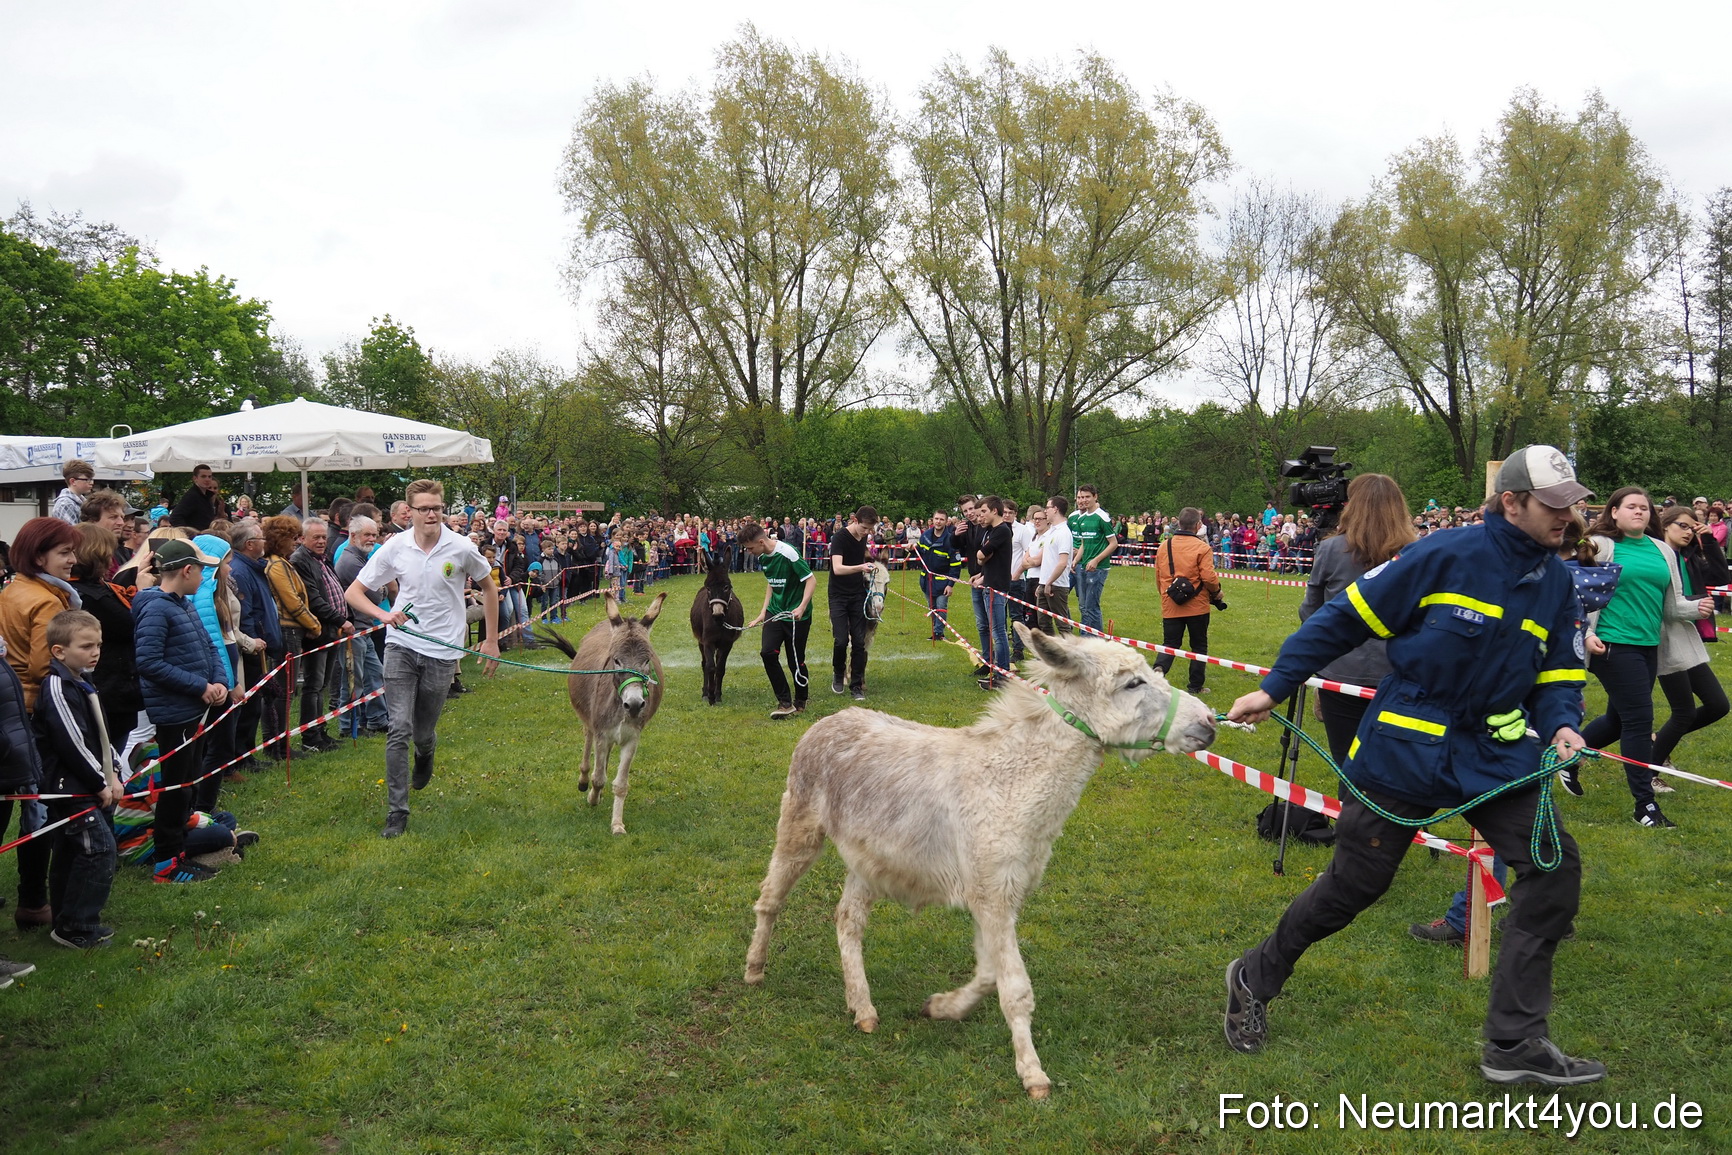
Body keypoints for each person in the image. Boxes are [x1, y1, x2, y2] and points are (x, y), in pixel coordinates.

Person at [1222, 445, 1605, 1087]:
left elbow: (1559, 672)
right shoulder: (1442, 554)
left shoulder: (1558, 580)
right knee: (1354, 887)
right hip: (1403, 747)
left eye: (1574, 505)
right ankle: (1253, 975)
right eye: (1555, 506)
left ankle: (1515, 1044)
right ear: (1511, 503)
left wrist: (1563, 719)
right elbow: (1341, 619)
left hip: (1496, 754)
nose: (1570, 517)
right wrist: (1276, 684)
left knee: (1552, 870)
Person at [347, 479, 500, 839]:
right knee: (398, 727)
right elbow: (355, 591)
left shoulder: (461, 547)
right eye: (423, 508)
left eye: (436, 508)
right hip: (401, 645)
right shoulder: (395, 547)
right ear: (408, 512)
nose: (431, 514)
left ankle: (426, 752)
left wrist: (491, 640)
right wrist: (383, 615)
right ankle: (397, 811)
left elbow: (489, 588)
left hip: (443, 650)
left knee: (423, 730)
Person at [1577, 487, 1711, 827]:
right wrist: (1589, 634)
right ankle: (1645, 806)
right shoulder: (1600, 546)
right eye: (1631, 507)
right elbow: (1577, 597)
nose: (1639, 512)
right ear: (1614, 512)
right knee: (1639, 721)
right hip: (1612, 644)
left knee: (1618, 720)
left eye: (1644, 508)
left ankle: (1565, 758)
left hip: (1650, 645)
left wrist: (1697, 608)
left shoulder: (1662, 550)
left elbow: (1672, 605)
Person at [1299, 474, 1416, 764]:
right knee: (1390, 761)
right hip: (1396, 670)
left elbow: (1310, 611)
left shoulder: (1331, 549)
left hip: (1343, 669)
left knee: (1347, 760)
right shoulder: (1416, 553)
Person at [132, 538, 229, 884]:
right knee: (175, 788)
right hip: (175, 713)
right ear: (187, 570)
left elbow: (209, 648)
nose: (204, 577)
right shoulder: (156, 608)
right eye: (202, 570)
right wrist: (199, 687)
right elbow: (149, 662)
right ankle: (166, 864)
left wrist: (217, 681)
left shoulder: (183, 604)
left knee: (187, 782)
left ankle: (184, 843)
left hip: (195, 710)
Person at [34, 610, 123, 948]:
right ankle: (76, 926)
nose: (95, 652)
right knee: (98, 849)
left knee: (74, 851)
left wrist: (114, 770)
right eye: (86, 646)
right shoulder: (57, 686)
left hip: (90, 783)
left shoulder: (83, 680)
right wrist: (100, 783)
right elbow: (72, 741)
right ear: (59, 651)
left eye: (98, 645)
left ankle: (66, 920)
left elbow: (101, 735)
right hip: (69, 788)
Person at [1649, 507, 1728, 778]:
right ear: (1666, 525)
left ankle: (1656, 743)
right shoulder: (1655, 557)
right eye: (1683, 526)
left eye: (1692, 528)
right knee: (1682, 711)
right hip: (1660, 638)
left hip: (1685, 637)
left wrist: (1707, 540)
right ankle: (1650, 773)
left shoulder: (1689, 557)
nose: (1688, 532)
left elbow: (1720, 577)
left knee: (1718, 705)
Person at [68, 526, 142, 770]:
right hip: (108, 689)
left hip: (114, 688)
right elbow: (132, 625)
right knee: (105, 763)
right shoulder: (91, 596)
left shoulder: (99, 589)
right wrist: (143, 590)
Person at [738, 522, 815, 720]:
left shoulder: (789, 553)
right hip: (775, 612)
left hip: (797, 615)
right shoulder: (763, 557)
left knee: (795, 660)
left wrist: (802, 606)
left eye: (750, 548)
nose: (749, 552)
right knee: (767, 653)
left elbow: (810, 580)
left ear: (761, 542)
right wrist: (764, 612)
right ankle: (784, 702)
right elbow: (771, 584)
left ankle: (801, 700)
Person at [291, 519, 351, 754]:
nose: (321, 541)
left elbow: (336, 590)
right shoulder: (300, 561)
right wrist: (341, 620)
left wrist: (348, 616)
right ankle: (310, 736)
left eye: (323, 537)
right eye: (315, 537)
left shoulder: (322, 558)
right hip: (317, 632)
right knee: (313, 686)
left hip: (331, 631)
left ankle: (321, 732)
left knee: (322, 684)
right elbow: (314, 600)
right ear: (302, 538)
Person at [226, 520, 281, 764]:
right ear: (249, 545)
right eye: (261, 539)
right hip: (250, 649)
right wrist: (253, 643)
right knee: (248, 707)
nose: (265, 544)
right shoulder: (240, 570)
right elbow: (244, 614)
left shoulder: (253, 567)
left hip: (259, 643)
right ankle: (241, 756)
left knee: (255, 706)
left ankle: (247, 753)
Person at [1152, 507, 1221, 694]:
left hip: (1170, 603)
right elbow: (1208, 577)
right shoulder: (1202, 547)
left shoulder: (1163, 546)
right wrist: (1217, 592)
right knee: (1198, 645)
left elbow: (1158, 576)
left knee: (1170, 643)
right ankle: (1195, 686)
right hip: (1197, 606)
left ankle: (1159, 670)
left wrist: (1166, 596)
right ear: (1198, 525)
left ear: (1179, 523)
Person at [333, 516, 389, 737]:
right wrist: (381, 588)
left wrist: (380, 588)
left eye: (374, 535)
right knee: (352, 680)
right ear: (353, 535)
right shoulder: (350, 561)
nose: (372, 539)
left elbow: (378, 590)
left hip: (363, 627)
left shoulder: (363, 557)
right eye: (367, 535)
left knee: (374, 674)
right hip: (352, 628)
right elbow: (376, 594)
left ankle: (376, 720)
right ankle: (348, 726)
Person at [827, 506, 879, 702]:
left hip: (858, 594)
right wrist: (861, 567)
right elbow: (837, 568)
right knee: (841, 640)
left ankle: (856, 685)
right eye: (864, 528)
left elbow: (861, 559)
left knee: (859, 641)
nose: (867, 533)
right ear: (855, 521)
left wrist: (870, 567)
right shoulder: (839, 538)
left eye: (870, 529)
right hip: (838, 596)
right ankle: (838, 672)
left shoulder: (863, 536)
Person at [972, 496, 1014, 689]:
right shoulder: (989, 531)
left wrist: (982, 558)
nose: (981, 516)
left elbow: (981, 555)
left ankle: (1002, 675)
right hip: (988, 583)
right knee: (994, 629)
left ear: (994, 511)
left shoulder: (1002, 531)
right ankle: (998, 672)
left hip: (997, 587)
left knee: (998, 632)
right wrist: (981, 573)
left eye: (984, 512)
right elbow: (981, 557)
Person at [1068, 484, 1117, 632]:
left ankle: (1092, 638)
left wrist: (1096, 559)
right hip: (1083, 566)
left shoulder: (1102, 517)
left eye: (1087, 497)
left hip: (1098, 568)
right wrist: (1076, 560)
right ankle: (1088, 636)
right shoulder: (1082, 518)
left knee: (1091, 606)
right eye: (1081, 497)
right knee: (1084, 606)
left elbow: (1113, 543)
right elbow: (1084, 542)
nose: (1084, 500)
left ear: (1095, 497)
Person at [1032, 495, 1074, 635]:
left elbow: (1062, 563)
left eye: (1048, 507)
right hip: (1046, 583)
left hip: (1057, 585)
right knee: (1044, 623)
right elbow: (1048, 559)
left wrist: (1049, 582)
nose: (1045, 511)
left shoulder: (1064, 533)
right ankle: (1052, 653)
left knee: (1062, 625)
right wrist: (1042, 582)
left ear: (1055, 509)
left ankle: (1069, 655)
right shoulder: (1051, 532)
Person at [915, 510, 957, 641]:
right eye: (936, 519)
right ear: (932, 520)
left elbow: (955, 565)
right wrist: (913, 549)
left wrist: (950, 585)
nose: (938, 522)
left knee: (941, 608)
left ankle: (939, 633)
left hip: (942, 582)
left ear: (946, 522)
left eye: (941, 519)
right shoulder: (925, 536)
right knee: (932, 608)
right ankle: (935, 630)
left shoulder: (950, 540)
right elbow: (920, 553)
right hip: (926, 581)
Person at [169, 465, 227, 531]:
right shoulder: (192, 496)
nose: (207, 479)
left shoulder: (207, 496)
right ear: (195, 478)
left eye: (209, 476)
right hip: (196, 537)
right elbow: (175, 517)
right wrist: (189, 534)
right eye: (203, 476)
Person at [50, 460, 96, 525]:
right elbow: (71, 533)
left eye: (91, 479)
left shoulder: (81, 502)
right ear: (73, 481)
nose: (92, 483)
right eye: (87, 479)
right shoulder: (65, 504)